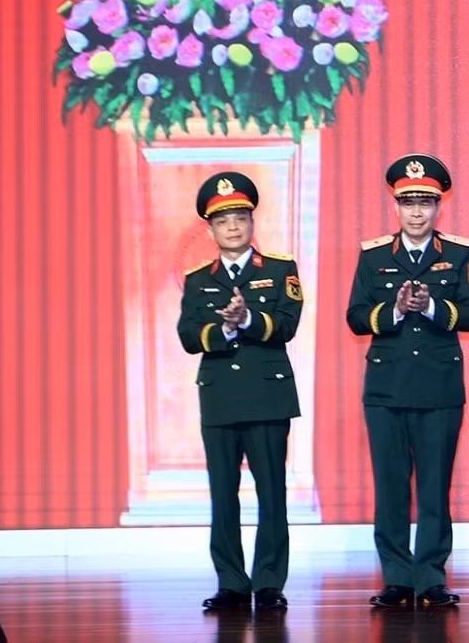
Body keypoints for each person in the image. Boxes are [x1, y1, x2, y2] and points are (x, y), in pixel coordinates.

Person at [345, 153, 469, 609]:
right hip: (386, 390)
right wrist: (396, 311)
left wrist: (429, 309)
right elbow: (356, 317)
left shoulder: (458, 253)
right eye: (409, 203)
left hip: (440, 389)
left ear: (439, 205)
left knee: (434, 486)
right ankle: (397, 578)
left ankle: (431, 576)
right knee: (390, 486)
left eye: (426, 202)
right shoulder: (374, 255)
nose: (417, 212)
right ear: (397, 207)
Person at [177, 171, 303, 614]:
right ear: (210, 229)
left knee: (272, 492)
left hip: (268, 397)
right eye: (223, 220)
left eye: (240, 217)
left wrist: (248, 319)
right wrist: (224, 327)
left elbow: (287, 324)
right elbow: (189, 336)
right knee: (223, 494)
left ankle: (269, 582)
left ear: (252, 222)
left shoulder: (280, 270)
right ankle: (231, 582)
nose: (233, 226)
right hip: (220, 398)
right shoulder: (197, 279)